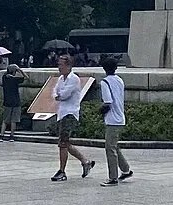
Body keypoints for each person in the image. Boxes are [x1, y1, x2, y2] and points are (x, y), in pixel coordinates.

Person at [51, 50, 93, 180]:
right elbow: (55, 92)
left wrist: (59, 95)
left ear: (69, 66)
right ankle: (85, 162)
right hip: (62, 112)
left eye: (62, 65)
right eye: (58, 65)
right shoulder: (60, 79)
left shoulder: (74, 79)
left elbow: (64, 94)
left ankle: (62, 171)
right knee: (65, 142)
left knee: (62, 143)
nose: (59, 67)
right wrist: (58, 95)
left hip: (70, 113)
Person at [96, 56, 133, 185]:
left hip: (112, 120)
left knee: (109, 148)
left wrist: (99, 110)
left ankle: (113, 177)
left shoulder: (105, 82)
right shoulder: (119, 80)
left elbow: (107, 102)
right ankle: (126, 170)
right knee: (114, 146)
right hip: (120, 117)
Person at [0, 59, 26, 140]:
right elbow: (26, 78)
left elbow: (5, 74)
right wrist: (20, 70)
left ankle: (1, 135)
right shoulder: (15, 80)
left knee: (5, 120)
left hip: (7, 101)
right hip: (16, 102)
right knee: (14, 120)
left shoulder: (4, 78)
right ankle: (11, 136)